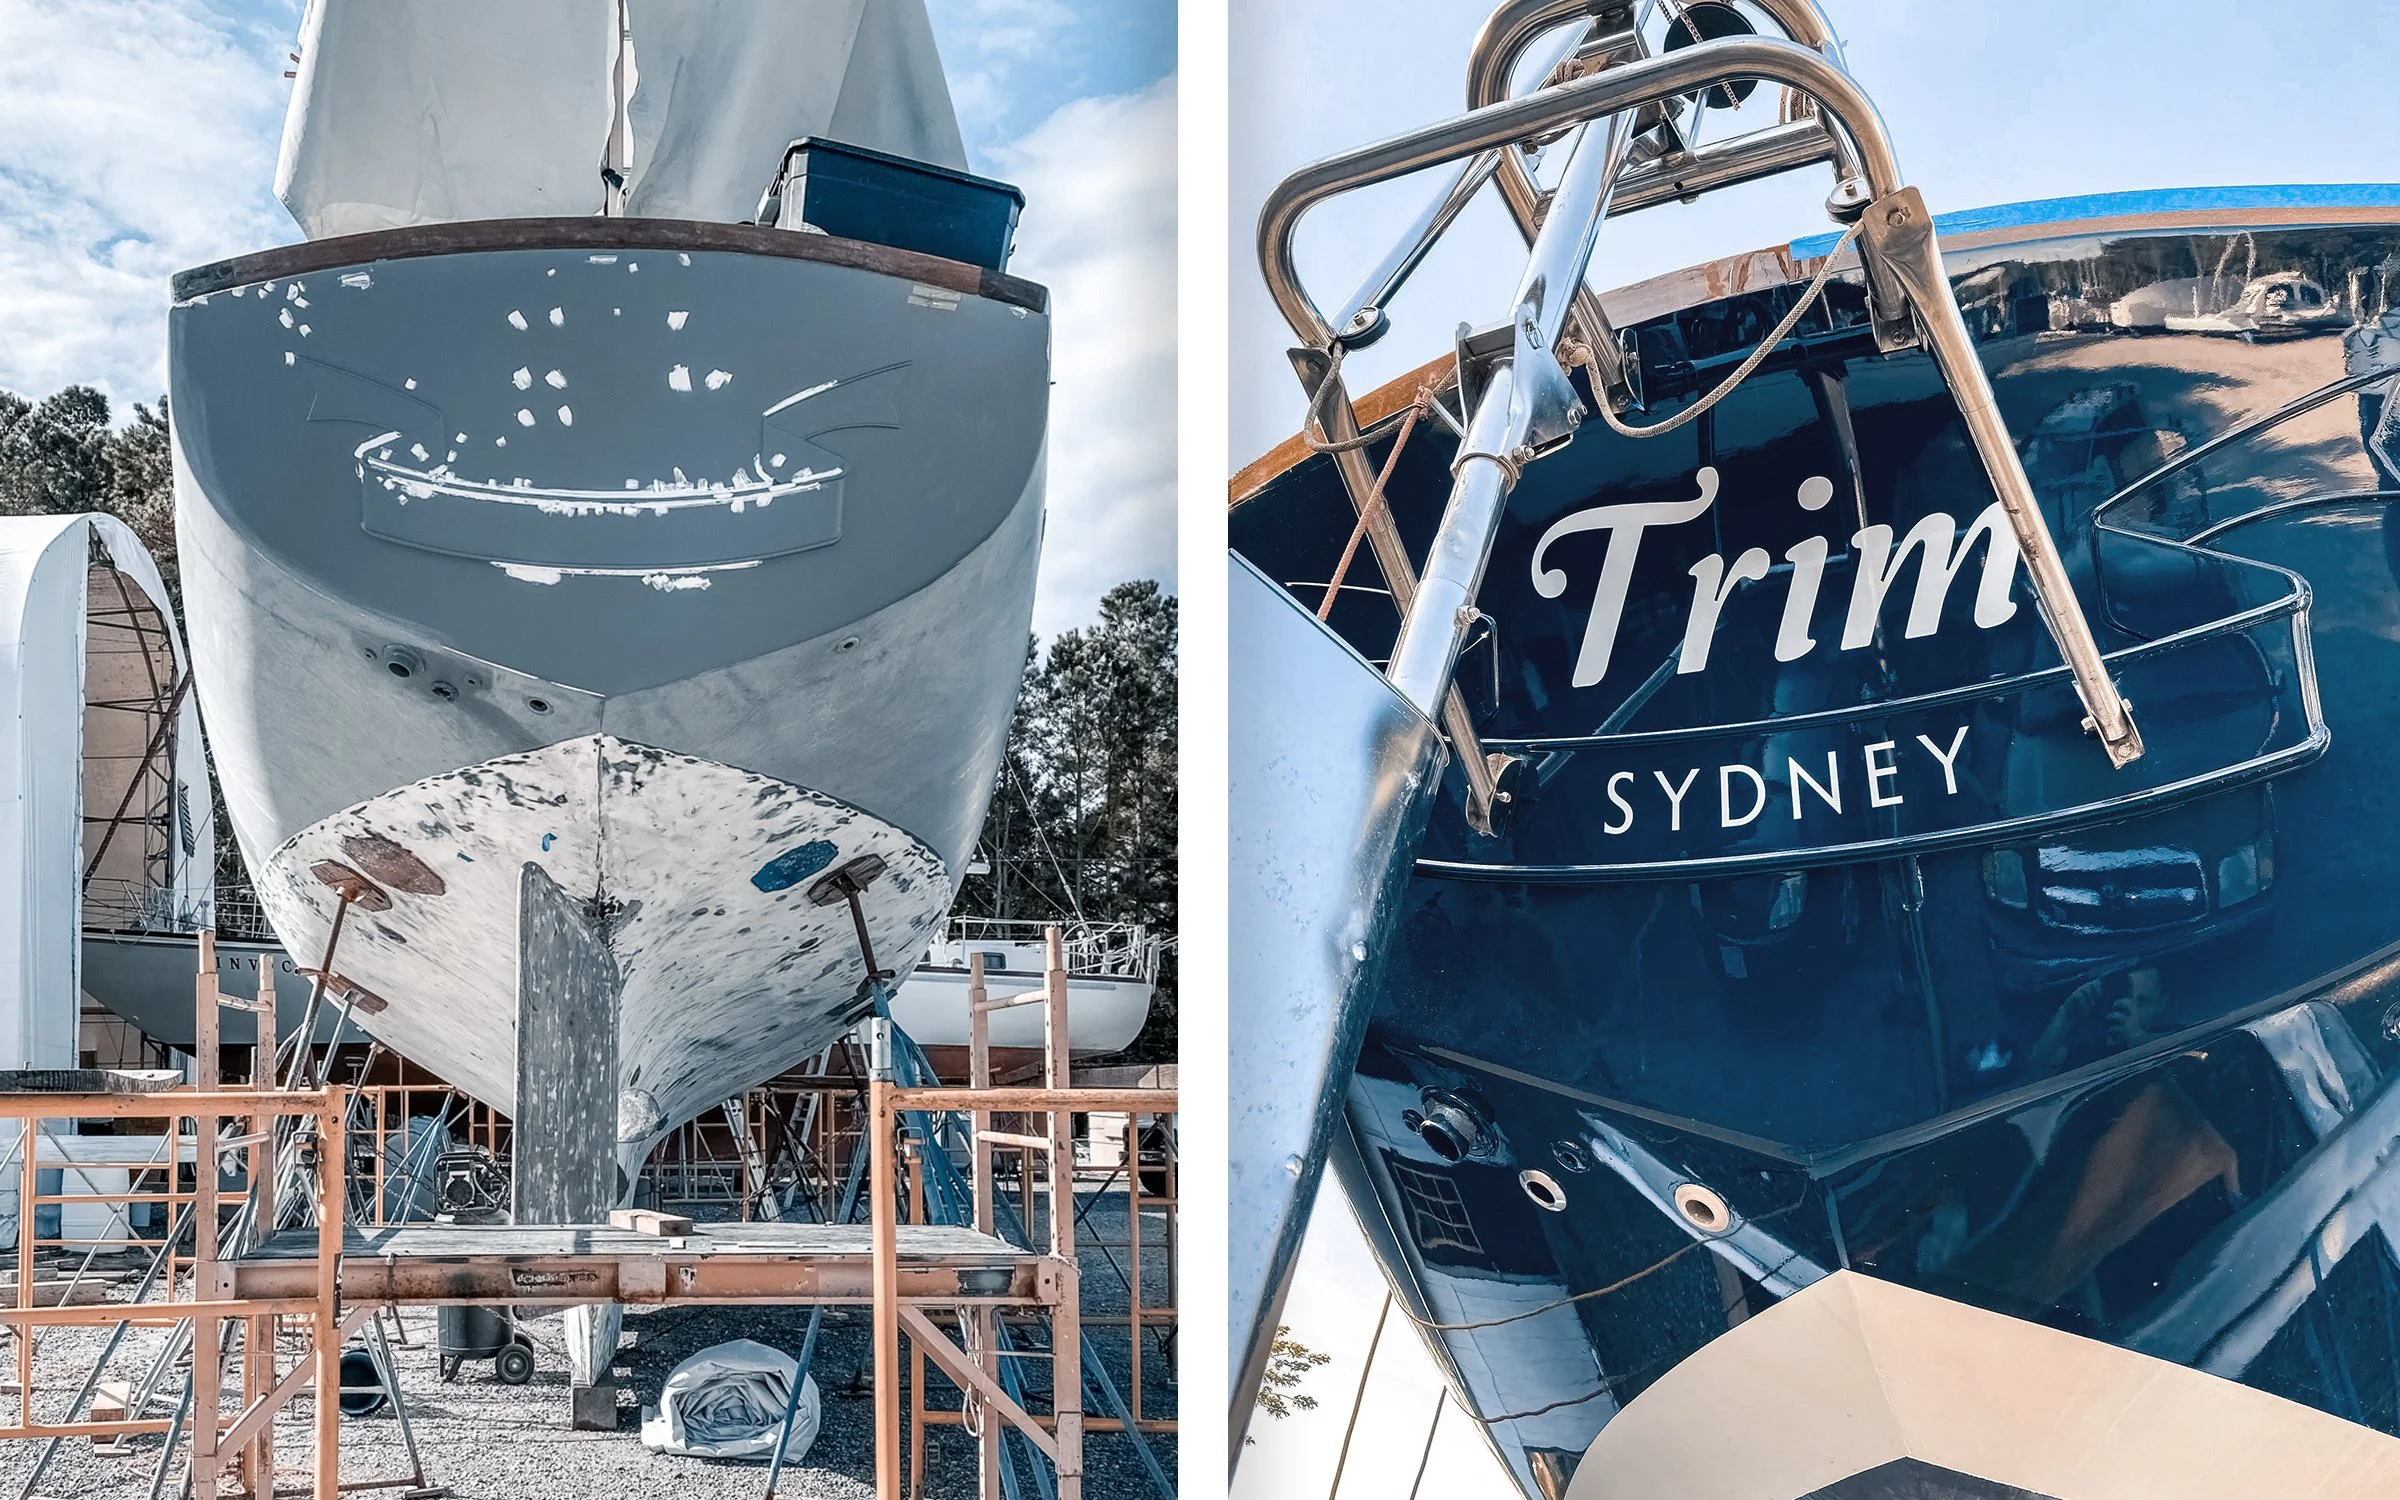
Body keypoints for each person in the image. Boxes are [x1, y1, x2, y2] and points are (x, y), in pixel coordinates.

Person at [2342, 299, 2400, 489]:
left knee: (2378, 447)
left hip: (2374, 396)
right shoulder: (2368, 330)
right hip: (2377, 396)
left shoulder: (2363, 332)